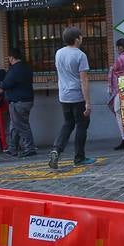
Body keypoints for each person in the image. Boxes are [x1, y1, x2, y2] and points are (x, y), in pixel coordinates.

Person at [49, 26, 93, 169]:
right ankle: (79, 157)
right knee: (82, 124)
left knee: (68, 124)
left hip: (64, 95)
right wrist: (88, 102)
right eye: (81, 36)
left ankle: (56, 149)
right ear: (76, 39)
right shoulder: (80, 55)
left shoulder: (59, 53)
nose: (82, 38)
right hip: (77, 96)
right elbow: (84, 80)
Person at [0, 50, 35, 157]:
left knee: (21, 125)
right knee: (14, 124)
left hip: (19, 101)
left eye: (9, 58)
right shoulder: (26, 67)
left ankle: (30, 147)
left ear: (12, 58)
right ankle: (12, 147)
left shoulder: (15, 70)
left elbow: (4, 85)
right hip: (26, 100)